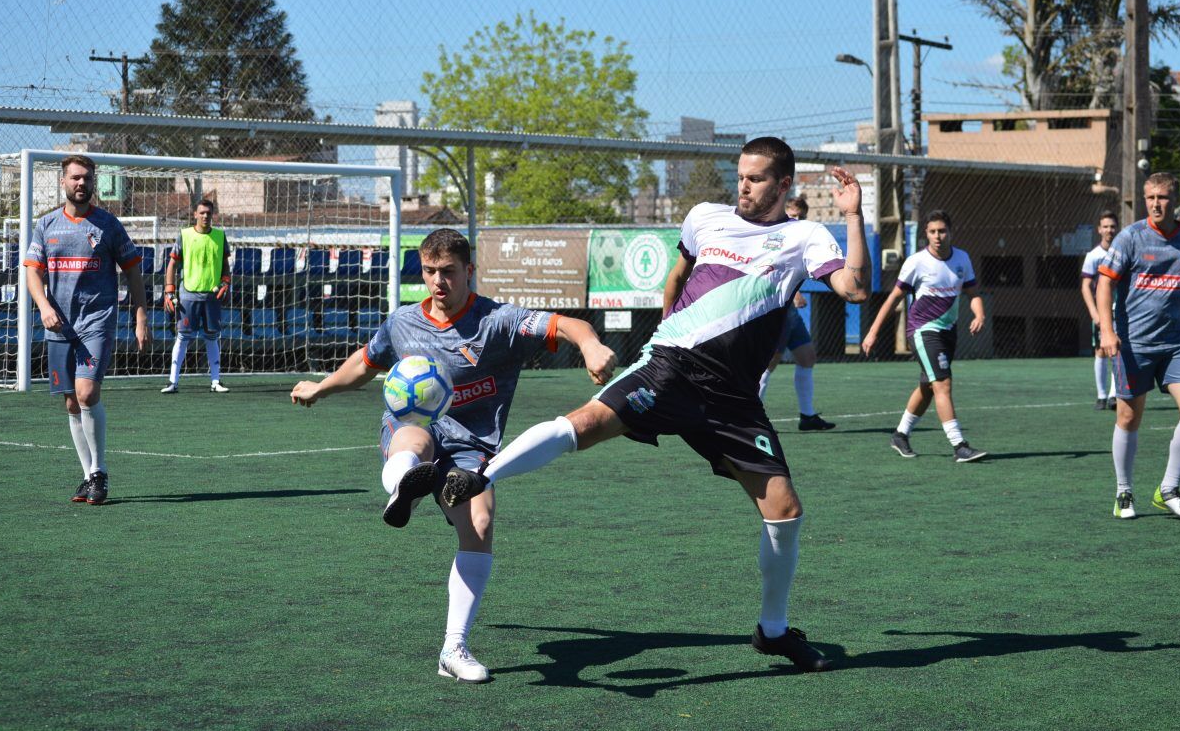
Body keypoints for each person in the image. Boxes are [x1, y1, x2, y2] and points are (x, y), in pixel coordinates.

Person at [441, 137, 871, 673]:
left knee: (784, 511)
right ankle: (481, 476)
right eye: (740, 175)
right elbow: (678, 276)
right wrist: (670, 331)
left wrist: (853, 218)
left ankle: (773, 631)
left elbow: (854, 289)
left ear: (784, 185)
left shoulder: (803, 235)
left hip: (732, 399)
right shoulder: (705, 217)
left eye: (757, 178)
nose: (743, 185)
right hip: (670, 367)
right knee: (586, 422)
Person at [290, 229, 617, 683]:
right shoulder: (403, 323)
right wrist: (321, 388)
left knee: (479, 525)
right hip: (417, 428)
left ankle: (452, 648)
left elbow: (565, 325)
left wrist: (591, 344)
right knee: (415, 442)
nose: (437, 281)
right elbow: (366, 363)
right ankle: (406, 485)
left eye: (447, 272)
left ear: (469, 271)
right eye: (429, 271)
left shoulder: (498, 321)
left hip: (472, 447)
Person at [23, 154, 150, 505]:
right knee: (70, 403)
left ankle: (100, 471)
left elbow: (133, 271)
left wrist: (140, 317)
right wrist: (45, 307)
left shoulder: (108, 225)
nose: (82, 184)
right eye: (76, 178)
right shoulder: (46, 225)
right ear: (63, 182)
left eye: (87, 179)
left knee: (87, 392)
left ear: (94, 183)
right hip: (59, 324)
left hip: (97, 322)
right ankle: (88, 476)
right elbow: (32, 271)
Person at [861, 209, 987, 463]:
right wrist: (872, 332)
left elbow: (973, 293)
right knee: (943, 383)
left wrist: (979, 315)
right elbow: (893, 299)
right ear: (926, 234)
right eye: (932, 232)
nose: (937, 236)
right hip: (922, 331)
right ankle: (959, 445)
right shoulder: (916, 262)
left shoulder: (962, 258)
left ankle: (900, 435)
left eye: (942, 231)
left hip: (948, 332)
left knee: (928, 386)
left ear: (951, 232)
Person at [1096, 173, 1180, 520]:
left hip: (1177, 344)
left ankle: (1168, 489)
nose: (1155, 203)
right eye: (1150, 197)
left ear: (1174, 199)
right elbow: (1105, 284)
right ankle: (1124, 491)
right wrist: (1107, 330)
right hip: (1134, 344)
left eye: (1162, 197)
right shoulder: (1130, 237)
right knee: (1129, 416)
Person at [758, 196, 835, 431]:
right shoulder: (774, 236)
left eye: (801, 215)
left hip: (790, 311)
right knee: (768, 364)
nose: (798, 219)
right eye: (793, 214)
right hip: (776, 310)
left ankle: (808, 416)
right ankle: (750, 419)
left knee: (807, 356)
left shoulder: (804, 237)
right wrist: (792, 293)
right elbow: (766, 270)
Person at [161, 198, 232, 393]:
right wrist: (169, 291)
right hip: (188, 296)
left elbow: (226, 264)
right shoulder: (184, 235)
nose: (205, 216)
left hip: (212, 296)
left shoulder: (220, 236)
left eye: (209, 213)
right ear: (195, 214)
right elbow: (172, 264)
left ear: (212, 214)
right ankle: (173, 382)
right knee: (183, 337)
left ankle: (216, 381)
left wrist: (226, 282)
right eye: (202, 213)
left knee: (212, 337)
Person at [1081, 211, 1120, 410]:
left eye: (1112, 226)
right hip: (1101, 312)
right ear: (1099, 230)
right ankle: (1101, 396)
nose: (1109, 230)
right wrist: (1094, 313)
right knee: (1100, 351)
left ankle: (1114, 396)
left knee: (1117, 351)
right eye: (1105, 226)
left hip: (1120, 311)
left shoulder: (1122, 253)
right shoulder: (1093, 256)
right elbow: (1085, 286)